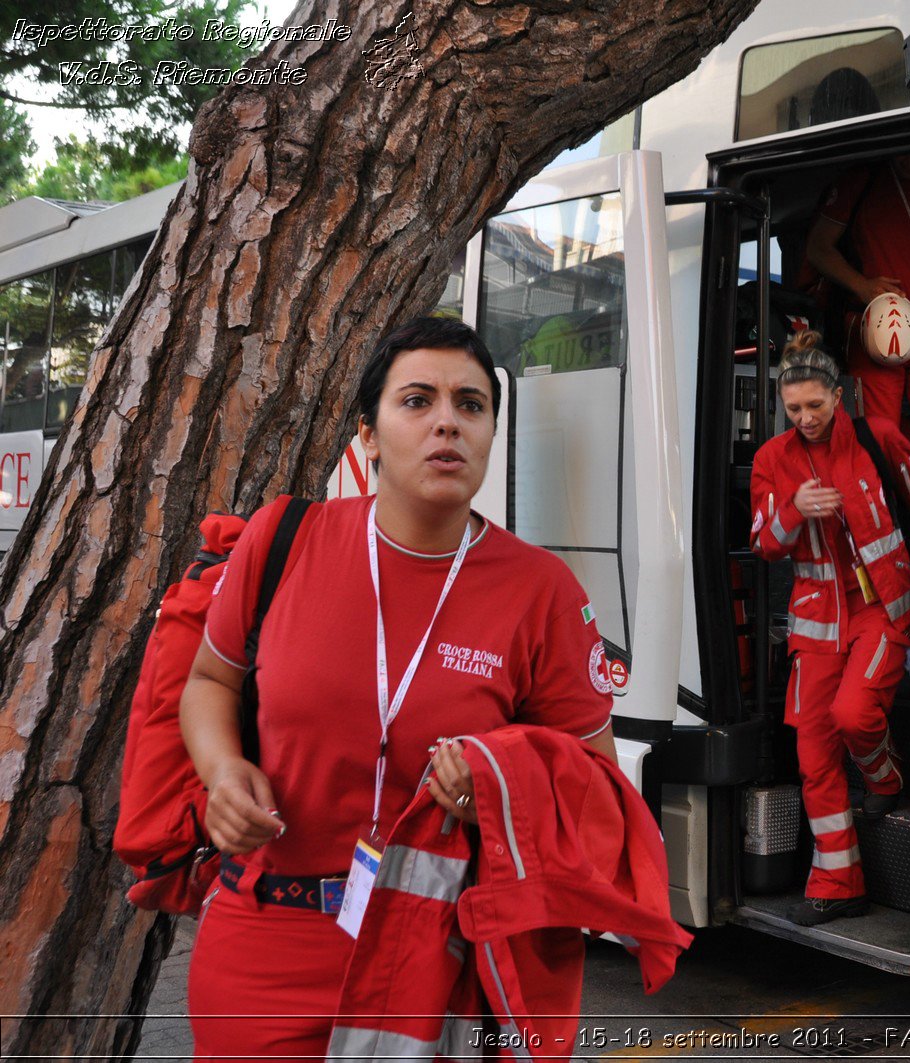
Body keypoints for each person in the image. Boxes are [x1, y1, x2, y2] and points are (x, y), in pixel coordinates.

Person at [179, 317, 617, 1060]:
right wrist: (222, 770)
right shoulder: (284, 539)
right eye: (417, 400)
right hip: (267, 944)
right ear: (370, 435)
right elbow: (209, 680)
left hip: (438, 947)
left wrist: (502, 795)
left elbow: (599, 787)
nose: (447, 420)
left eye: (471, 405)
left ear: (488, 434)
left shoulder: (541, 590)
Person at [749, 332, 910, 927]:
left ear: (838, 396)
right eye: (793, 409)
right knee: (813, 755)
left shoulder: (878, 438)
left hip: (883, 610)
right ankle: (839, 883)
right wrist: (794, 509)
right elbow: (763, 544)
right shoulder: (771, 460)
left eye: (815, 405)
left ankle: (884, 774)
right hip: (814, 626)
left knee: (854, 714)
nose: (806, 418)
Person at [805, 152, 910, 513]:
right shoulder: (862, 178)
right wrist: (861, 286)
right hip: (876, 327)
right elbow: (817, 247)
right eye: (902, 153)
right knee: (877, 442)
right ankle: (884, 534)